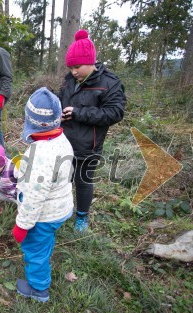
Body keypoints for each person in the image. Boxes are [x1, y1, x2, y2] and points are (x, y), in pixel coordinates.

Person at [58, 29, 126, 232]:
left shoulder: (109, 83)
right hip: (63, 142)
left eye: (77, 67)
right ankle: (63, 211)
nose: (73, 72)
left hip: (89, 145)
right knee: (63, 179)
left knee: (83, 181)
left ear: (91, 62)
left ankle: (82, 218)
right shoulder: (69, 80)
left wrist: (78, 113)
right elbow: (61, 99)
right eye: (70, 67)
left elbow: (114, 113)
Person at [11, 87, 74, 303]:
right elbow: (52, 173)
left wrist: (22, 225)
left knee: (34, 248)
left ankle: (38, 289)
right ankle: (43, 259)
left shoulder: (39, 154)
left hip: (44, 215)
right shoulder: (61, 140)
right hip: (60, 208)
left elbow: (34, 196)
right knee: (44, 241)